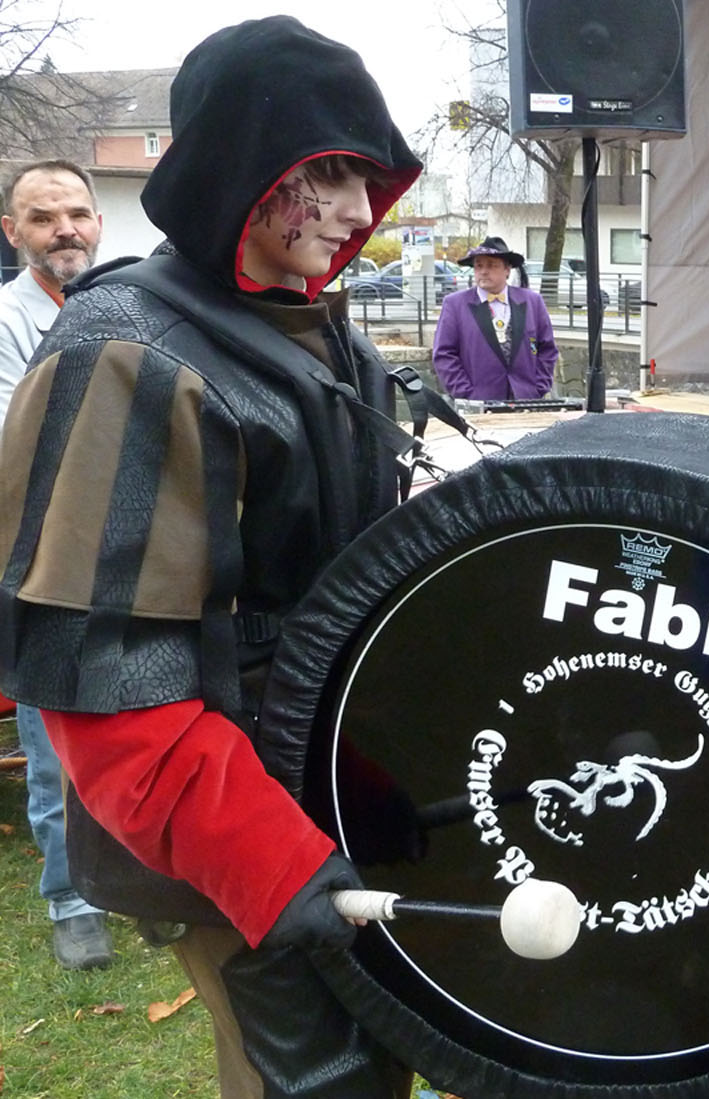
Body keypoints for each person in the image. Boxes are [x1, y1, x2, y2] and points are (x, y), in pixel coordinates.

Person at [0, 17, 422, 1098]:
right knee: (314, 1083)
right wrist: (273, 866)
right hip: (233, 829)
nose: (356, 209)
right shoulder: (125, 352)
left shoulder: (320, 333)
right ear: (248, 166)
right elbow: (106, 679)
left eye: (366, 176)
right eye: (327, 173)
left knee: (373, 1070)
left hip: (326, 792)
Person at [0, 158, 114, 970]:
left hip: (133, 550)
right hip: (38, 560)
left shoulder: (125, 304)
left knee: (137, 718)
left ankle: (140, 876)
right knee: (53, 738)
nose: (63, 229)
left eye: (75, 213)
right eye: (43, 217)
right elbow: (22, 443)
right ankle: (71, 897)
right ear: (13, 232)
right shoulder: (6, 322)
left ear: (98, 222)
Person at [432, 236, 558, 399]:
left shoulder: (532, 302)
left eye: (491, 265)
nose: (484, 271)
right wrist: (466, 393)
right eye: (479, 265)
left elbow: (547, 349)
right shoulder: (455, 304)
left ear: (507, 270)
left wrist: (538, 387)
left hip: (526, 399)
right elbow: (444, 354)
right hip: (478, 401)